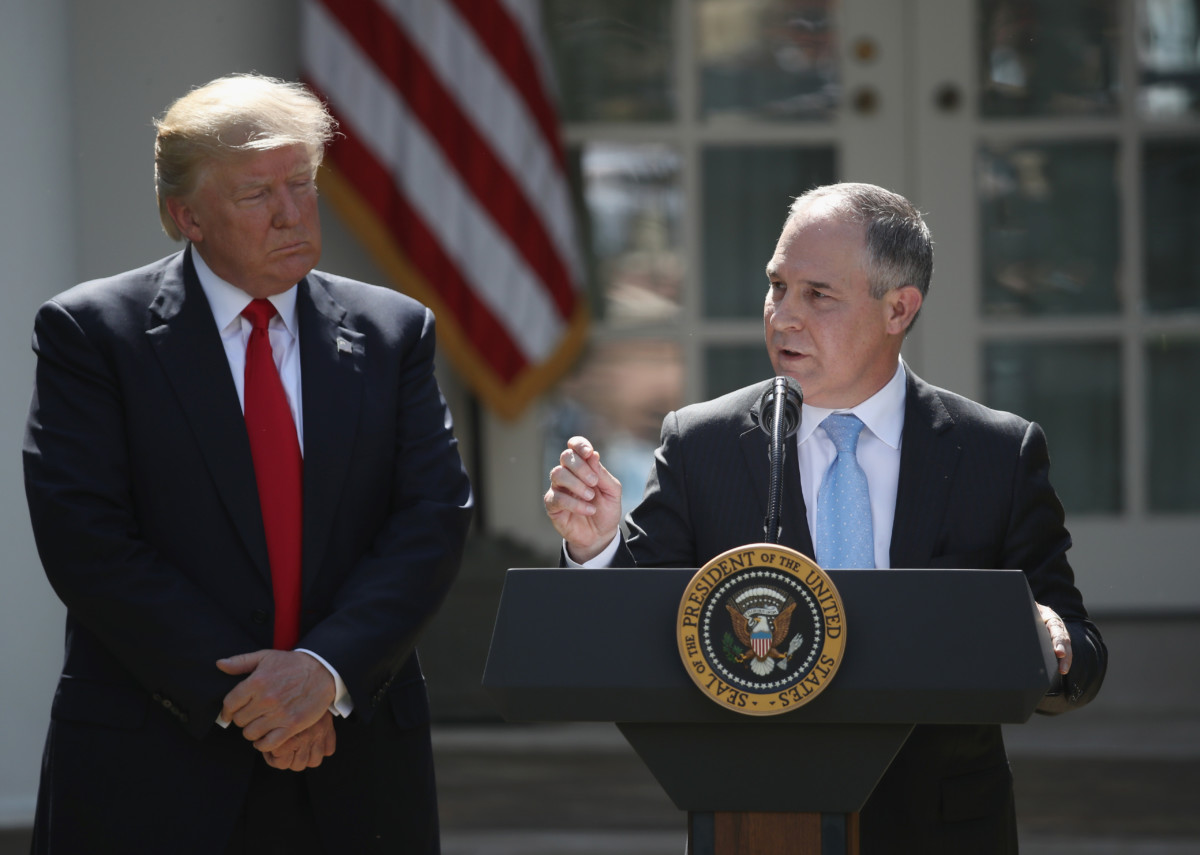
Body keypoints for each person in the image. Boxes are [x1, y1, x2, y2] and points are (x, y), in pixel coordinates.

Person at [545, 182, 1106, 853]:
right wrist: (598, 544)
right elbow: (636, 622)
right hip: (757, 820)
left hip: (942, 826)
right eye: (776, 286)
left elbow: (1077, 649)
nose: (783, 316)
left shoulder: (996, 452)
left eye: (818, 295)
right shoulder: (704, 444)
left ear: (899, 308)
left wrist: (1052, 640)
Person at [23, 74, 473, 854]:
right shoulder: (94, 335)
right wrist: (256, 696)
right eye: (256, 194)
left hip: (353, 764)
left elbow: (430, 520)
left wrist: (323, 674)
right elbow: (87, 539)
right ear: (185, 216)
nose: (293, 212)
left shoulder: (396, 330)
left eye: (301, 182)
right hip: (155, 764)